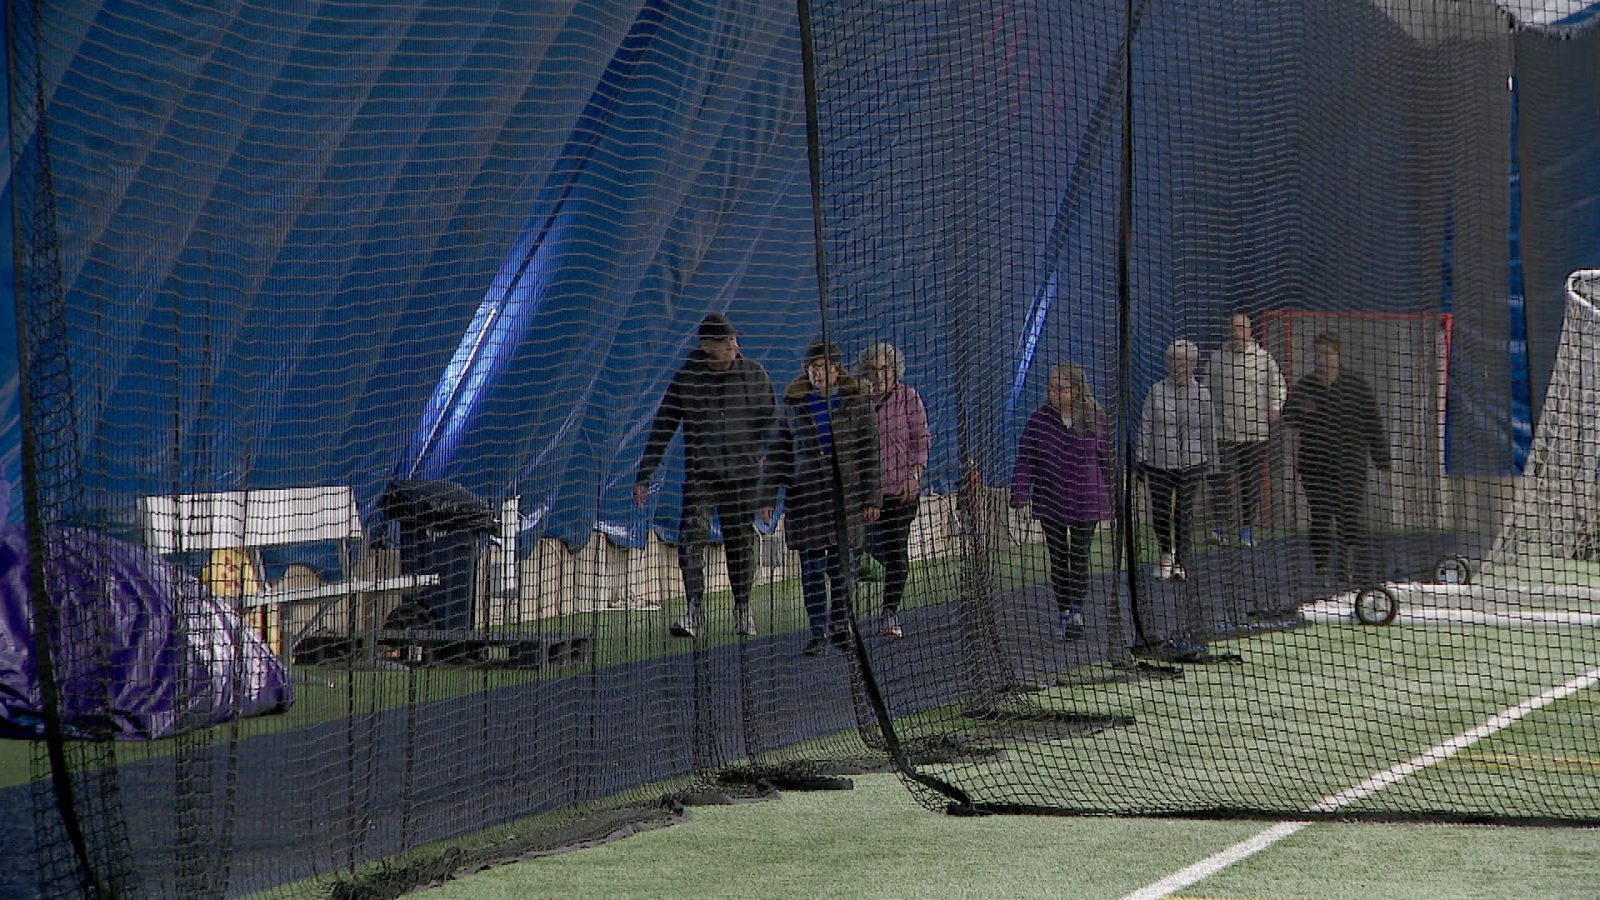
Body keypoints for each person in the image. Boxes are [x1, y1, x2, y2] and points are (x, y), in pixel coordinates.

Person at [636, 313, 777, 639]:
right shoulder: (688, 378)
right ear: (707, 346)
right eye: (727, 341)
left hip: (744, 476)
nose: (734, 346)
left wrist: (769, 486)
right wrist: (644, 475)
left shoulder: (754, 375)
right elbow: (663, 426)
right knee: (692, 537)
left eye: (734, 340)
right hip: (702, 475)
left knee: (740, 542)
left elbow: (772, 428)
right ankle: (694, 611)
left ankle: (742, 607)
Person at [761, 340, 881, 655]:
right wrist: (767, 495)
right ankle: (818, 632)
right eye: (813, 368)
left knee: (845, 567)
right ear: (807, 370)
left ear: (836, 369)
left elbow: (870, 452)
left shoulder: (857, 402)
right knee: (812, 569)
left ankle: (840, 625)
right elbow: (778, 451)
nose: (819, 373)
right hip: (806, 498)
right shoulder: (793, 404)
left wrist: (872, 499)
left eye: (825, 367)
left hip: (847, 498)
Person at [1010, 364, 1113, 640]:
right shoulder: (1039, 420)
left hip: (1086, 498)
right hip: (1050, 498)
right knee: (1058, 557)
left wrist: (1114, 495)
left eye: (1061, 388)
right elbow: (1026, 459)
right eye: (1051, 387)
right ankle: (1064, 610)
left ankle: (1077, 612)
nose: (1054, 393)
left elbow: (1107, 459)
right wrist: (1019, 493)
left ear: (1076, 390)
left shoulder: (1094, 418)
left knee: (1079, 555)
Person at [1280, 332, 1391, 585]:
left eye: (1328, 354)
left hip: (1350, 464)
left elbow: (1373, 422)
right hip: (1315, 466)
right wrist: (1302, 413)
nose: (1323, 359)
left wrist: (1381, 457)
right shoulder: (1305, 386)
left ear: (1338, 356)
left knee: (1349, 514)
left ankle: (1347, 564)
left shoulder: (1356, 385)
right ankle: (1320, 568)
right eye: (1319, 354)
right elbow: (1289, 418)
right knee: (1320, 515)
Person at [857, 342, 929, 639]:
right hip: (867, 493)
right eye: (872, 370)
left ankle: (890, 611)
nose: (879, 375)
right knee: (866, 546)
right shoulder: (858, 402)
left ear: (895, 369)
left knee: (897, 548)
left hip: (900, 490)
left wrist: (914, 475)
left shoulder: (909, 399)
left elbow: (921, 440)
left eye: (884, 368)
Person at [1201, 313, 1285, 547]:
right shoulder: (1217, 359)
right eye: (1234, 328)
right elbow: (1204, 390)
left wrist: (1275, 406)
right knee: (1220, 481)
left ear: (1250, 332)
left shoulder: (1263, 359)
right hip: (1223, 433)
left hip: (1254, 434)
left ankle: (1247, 531)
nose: (1238, 333)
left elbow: (1278, 385)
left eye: (1242, 328)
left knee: (1250, 483)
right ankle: (1219, 528)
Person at [1136, 339, 1217, 582]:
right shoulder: (1156, 391)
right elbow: (1146, 425)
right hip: (1160, 460)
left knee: (1184, 511)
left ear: (1193, 364)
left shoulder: (1202, 394)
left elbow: (1209, 429)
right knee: (1160, 512)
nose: (1178, 366)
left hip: (1192, 461)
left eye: (1184, 362)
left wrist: (1213, 463)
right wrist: (1141, 458)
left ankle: (1182, 561)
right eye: (1174, 361)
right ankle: (1165, 552)